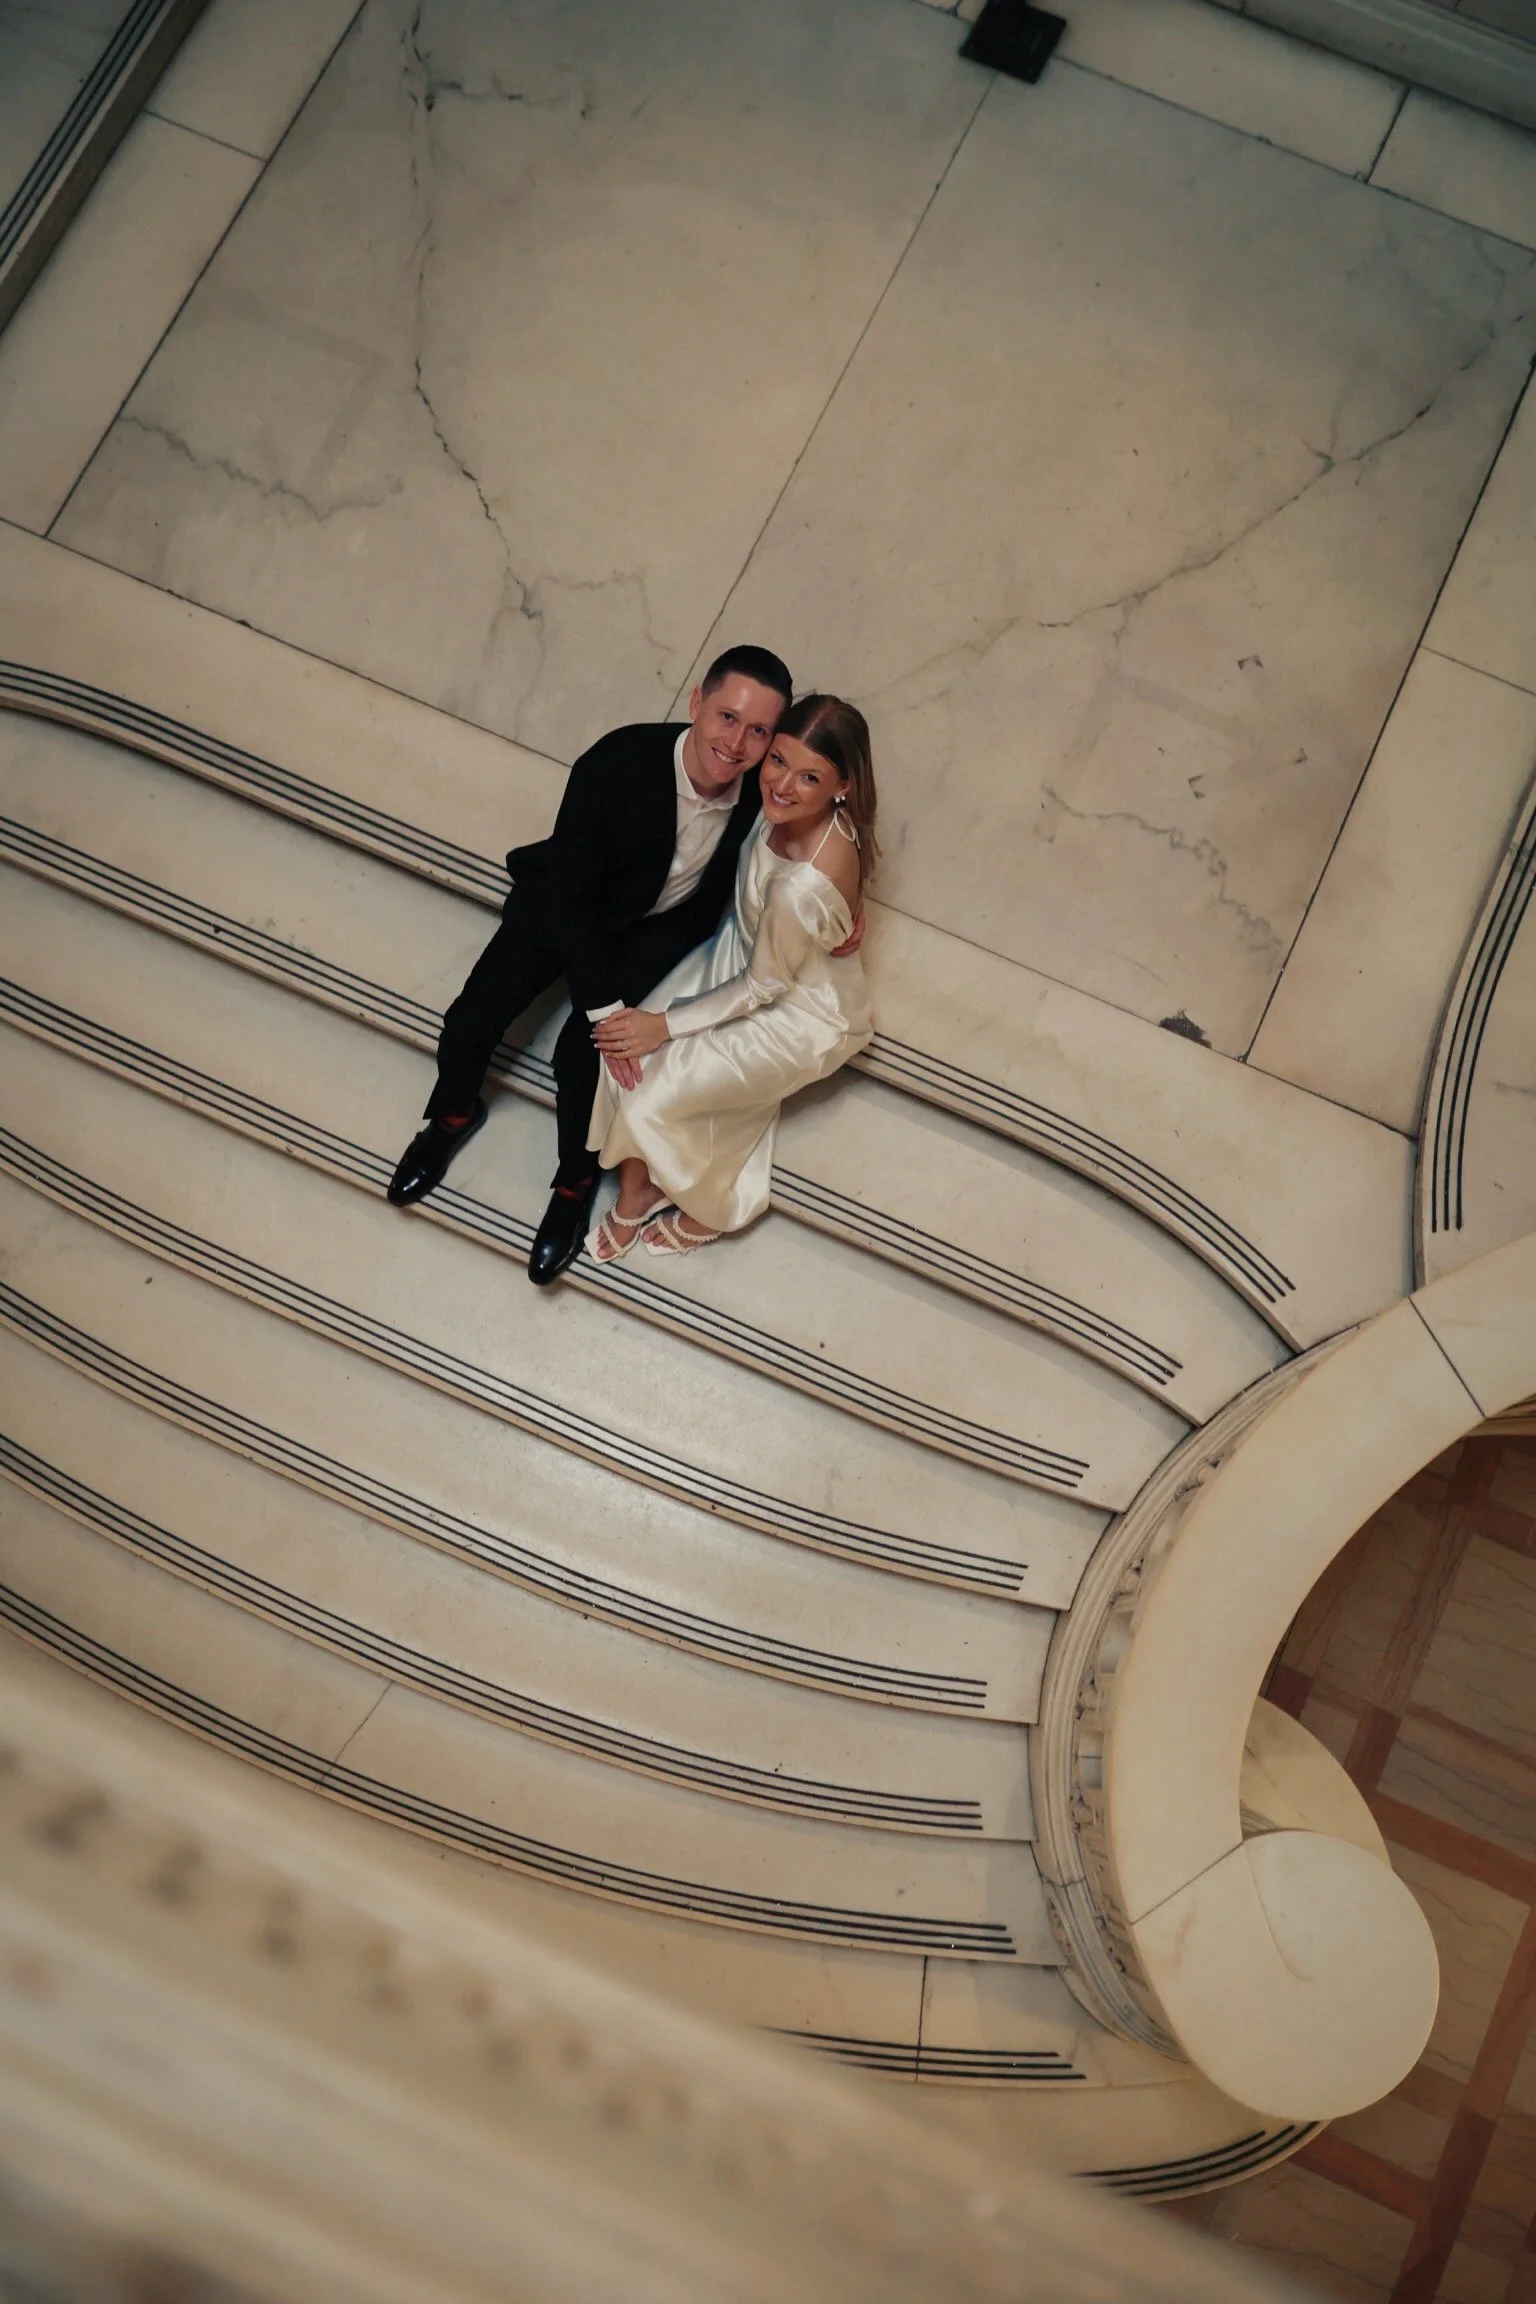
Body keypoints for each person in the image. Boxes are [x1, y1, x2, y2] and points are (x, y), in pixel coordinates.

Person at [387, 645, 797, 1283]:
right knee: (473, 1017)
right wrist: (603, 1003)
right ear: (696, 704)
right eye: (725, 717)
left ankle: (574, 1189)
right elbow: (572, 900)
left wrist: (842, 902)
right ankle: (454, 1114)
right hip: (566, 904)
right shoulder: (617, 761)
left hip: (653, 932)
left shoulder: (761, 796)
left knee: (588, 1059)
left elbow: (818, 817)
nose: (736, 743)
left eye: (757, 731)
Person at [585, 695, 877, 1259]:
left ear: (842, 787)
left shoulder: (800, 889)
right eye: (778, 761)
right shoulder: (787, 802)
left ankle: (714, 1206)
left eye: (809, 776)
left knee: (648, 1094)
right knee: (619, 1054)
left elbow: (765, 987)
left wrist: (664, 1026)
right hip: (743, 953)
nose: (783, 786)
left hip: (793, 1010)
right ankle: (639, 1189)